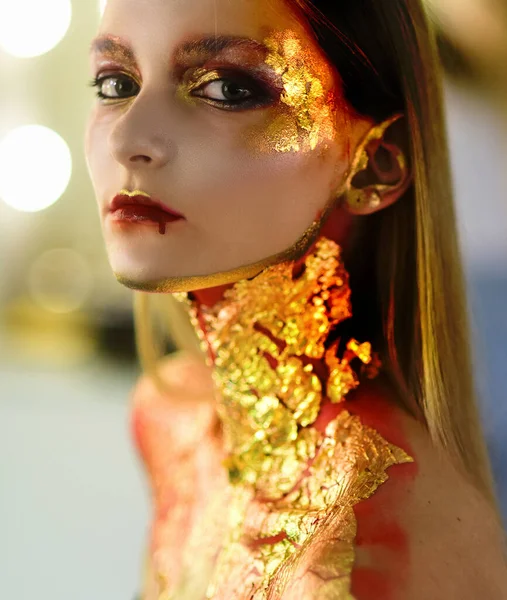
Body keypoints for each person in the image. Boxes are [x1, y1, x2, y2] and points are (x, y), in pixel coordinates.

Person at [84, 0, 507, 598]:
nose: (129, 139)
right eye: (116, 82)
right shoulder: (171, 424)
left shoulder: (378, 527)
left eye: (229, 89)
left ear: (375, 167)